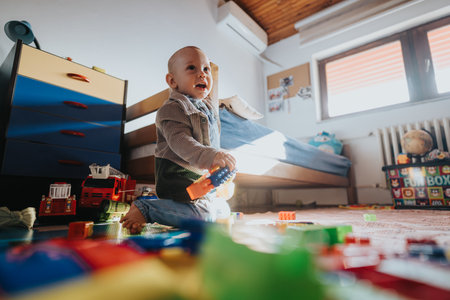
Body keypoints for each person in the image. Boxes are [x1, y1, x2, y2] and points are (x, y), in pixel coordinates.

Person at [121, 46, 236, 234]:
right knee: (203, 218)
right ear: (172, 81)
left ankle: (179, 210)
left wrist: (223, 168)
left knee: (224, 211)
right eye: (192, 68)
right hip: (179, 181)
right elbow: (182, 143)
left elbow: (210, 146)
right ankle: (146, 208)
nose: (202, 74)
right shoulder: (171, 109)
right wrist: (213, 156)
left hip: (200, 183)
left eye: (206, 69)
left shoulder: (209, 111)